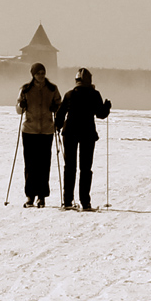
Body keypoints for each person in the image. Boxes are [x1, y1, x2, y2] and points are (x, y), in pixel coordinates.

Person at [55, 67, 111, 210]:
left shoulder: (69, 94)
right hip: (87, 133)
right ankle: (85, 202)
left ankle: (67, 201)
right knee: (85, 168)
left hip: (70, 132)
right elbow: (101, 114)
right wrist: (107, 107)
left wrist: (57, 126)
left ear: (76, 80)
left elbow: (60, 115)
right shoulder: (94, 94)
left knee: (70, 167)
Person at [16, 62, 61, 208]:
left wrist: (56, 108)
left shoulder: (52, 89)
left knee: (44, 164)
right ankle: (30, 196)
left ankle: (41, 196)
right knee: (30, 165)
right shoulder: (26, 89)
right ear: (33, 75)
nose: (41, 76)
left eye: (43, 73)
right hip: (29, 130)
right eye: (38, 73)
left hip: (47, 130)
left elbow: (59, 106)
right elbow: (18, 109)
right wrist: (21, 105)